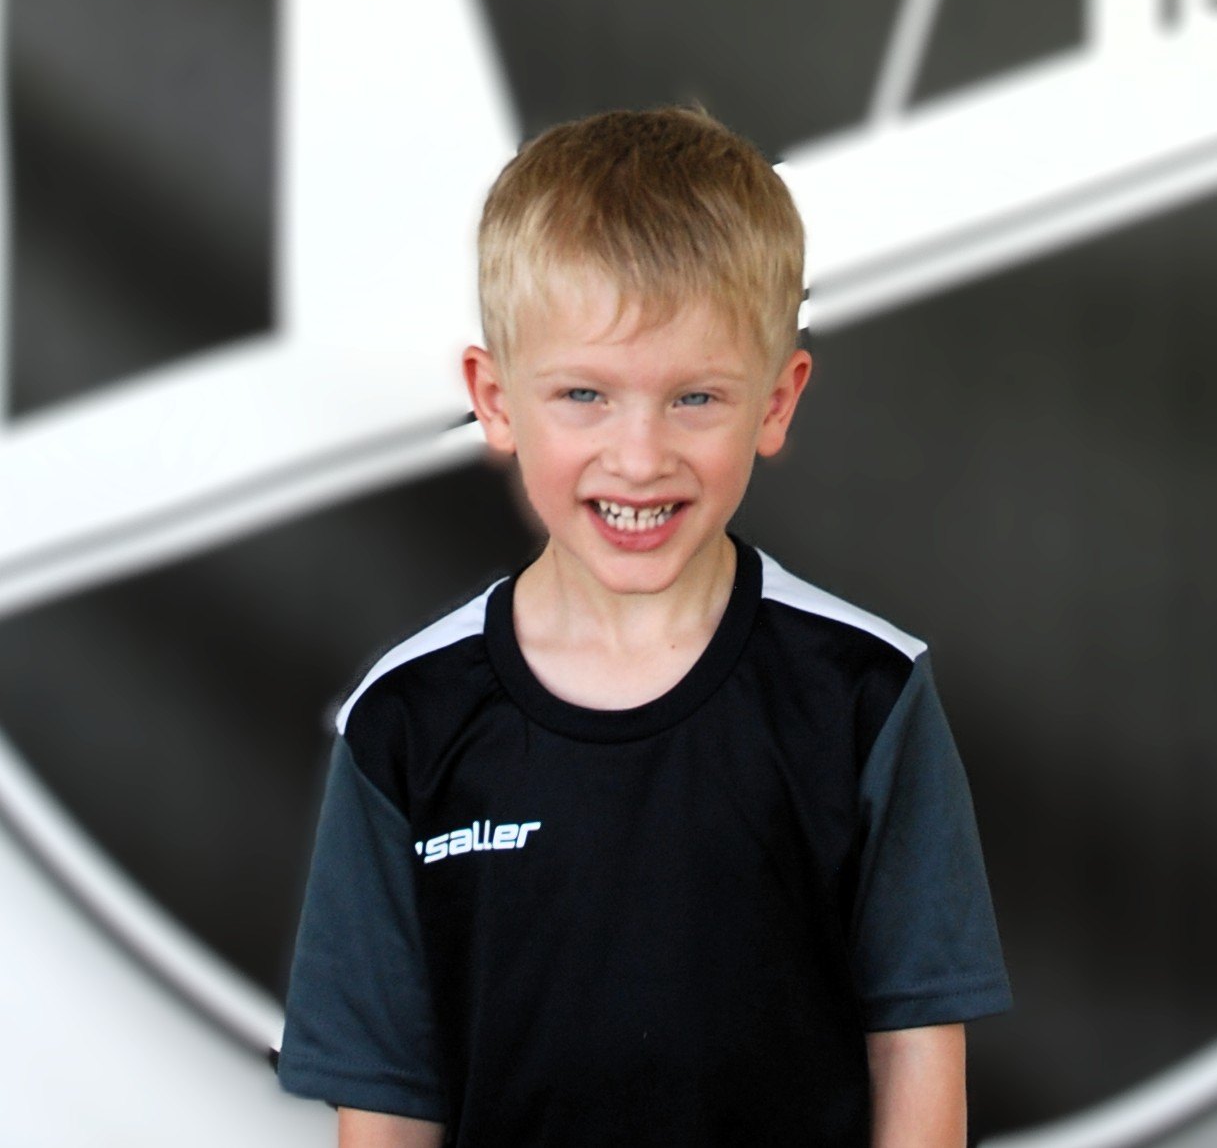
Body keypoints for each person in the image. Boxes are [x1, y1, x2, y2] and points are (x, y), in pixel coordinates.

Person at [277, 103, 1011, 1147]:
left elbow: (917, 1049)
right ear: (494, 398)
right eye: (584, 393)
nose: (637, 456)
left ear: (777, 399)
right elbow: (387, 1099)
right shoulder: (405, 718)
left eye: (694, 397)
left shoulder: (866, 693)